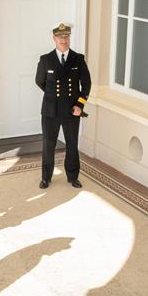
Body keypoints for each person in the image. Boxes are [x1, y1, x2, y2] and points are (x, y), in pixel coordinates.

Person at [35, 22, 92, 189]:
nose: (64, 40)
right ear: (54, 38)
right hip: (50, 111)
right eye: (60, 37)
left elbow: (86, 84)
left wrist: (79, 105)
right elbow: (40, 81)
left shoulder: (78, 59)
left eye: (66, 36)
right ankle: (46, 177)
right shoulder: (45, 59)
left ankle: (73, 176)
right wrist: (54, 97)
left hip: (71, 110)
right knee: (48, 145)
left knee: (72, 144)